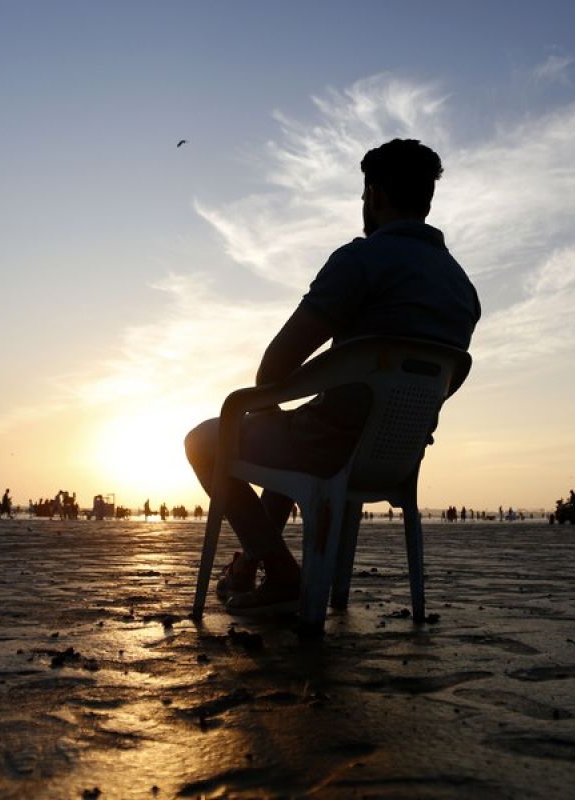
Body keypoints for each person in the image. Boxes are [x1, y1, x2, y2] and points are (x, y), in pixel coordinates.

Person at [185, 139, 479, 616]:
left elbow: (273, 369)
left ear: (376, 194)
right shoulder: (462, 288)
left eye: (365, 196)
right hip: (395, 458)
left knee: (204, 440)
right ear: (426, 200)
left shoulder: (360, 261)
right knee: (294, 429)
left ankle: (281, 573)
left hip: (327, 447)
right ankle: (249, 564)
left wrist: (277, 410)